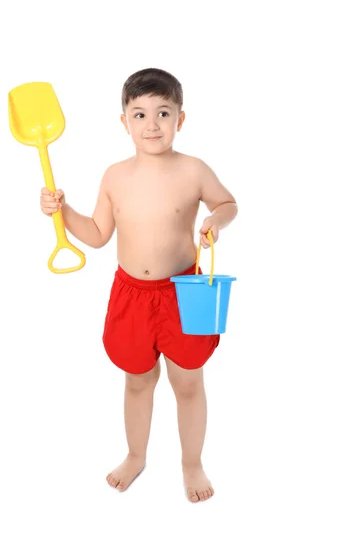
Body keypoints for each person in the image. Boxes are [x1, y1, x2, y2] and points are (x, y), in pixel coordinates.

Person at [40, 68, 238, 503]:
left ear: (180, 119)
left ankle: (192, 462)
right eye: (140, 113)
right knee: (137, 380)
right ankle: (135, 455)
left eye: (163, 112)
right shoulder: (114, 176)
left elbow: (227, 202)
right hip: (130, 295)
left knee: (188, 383)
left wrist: (214, 220)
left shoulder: (193, 169)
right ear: (124, 121)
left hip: (183, 293)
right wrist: (62, 210)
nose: (152, 124)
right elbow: (95, 234)